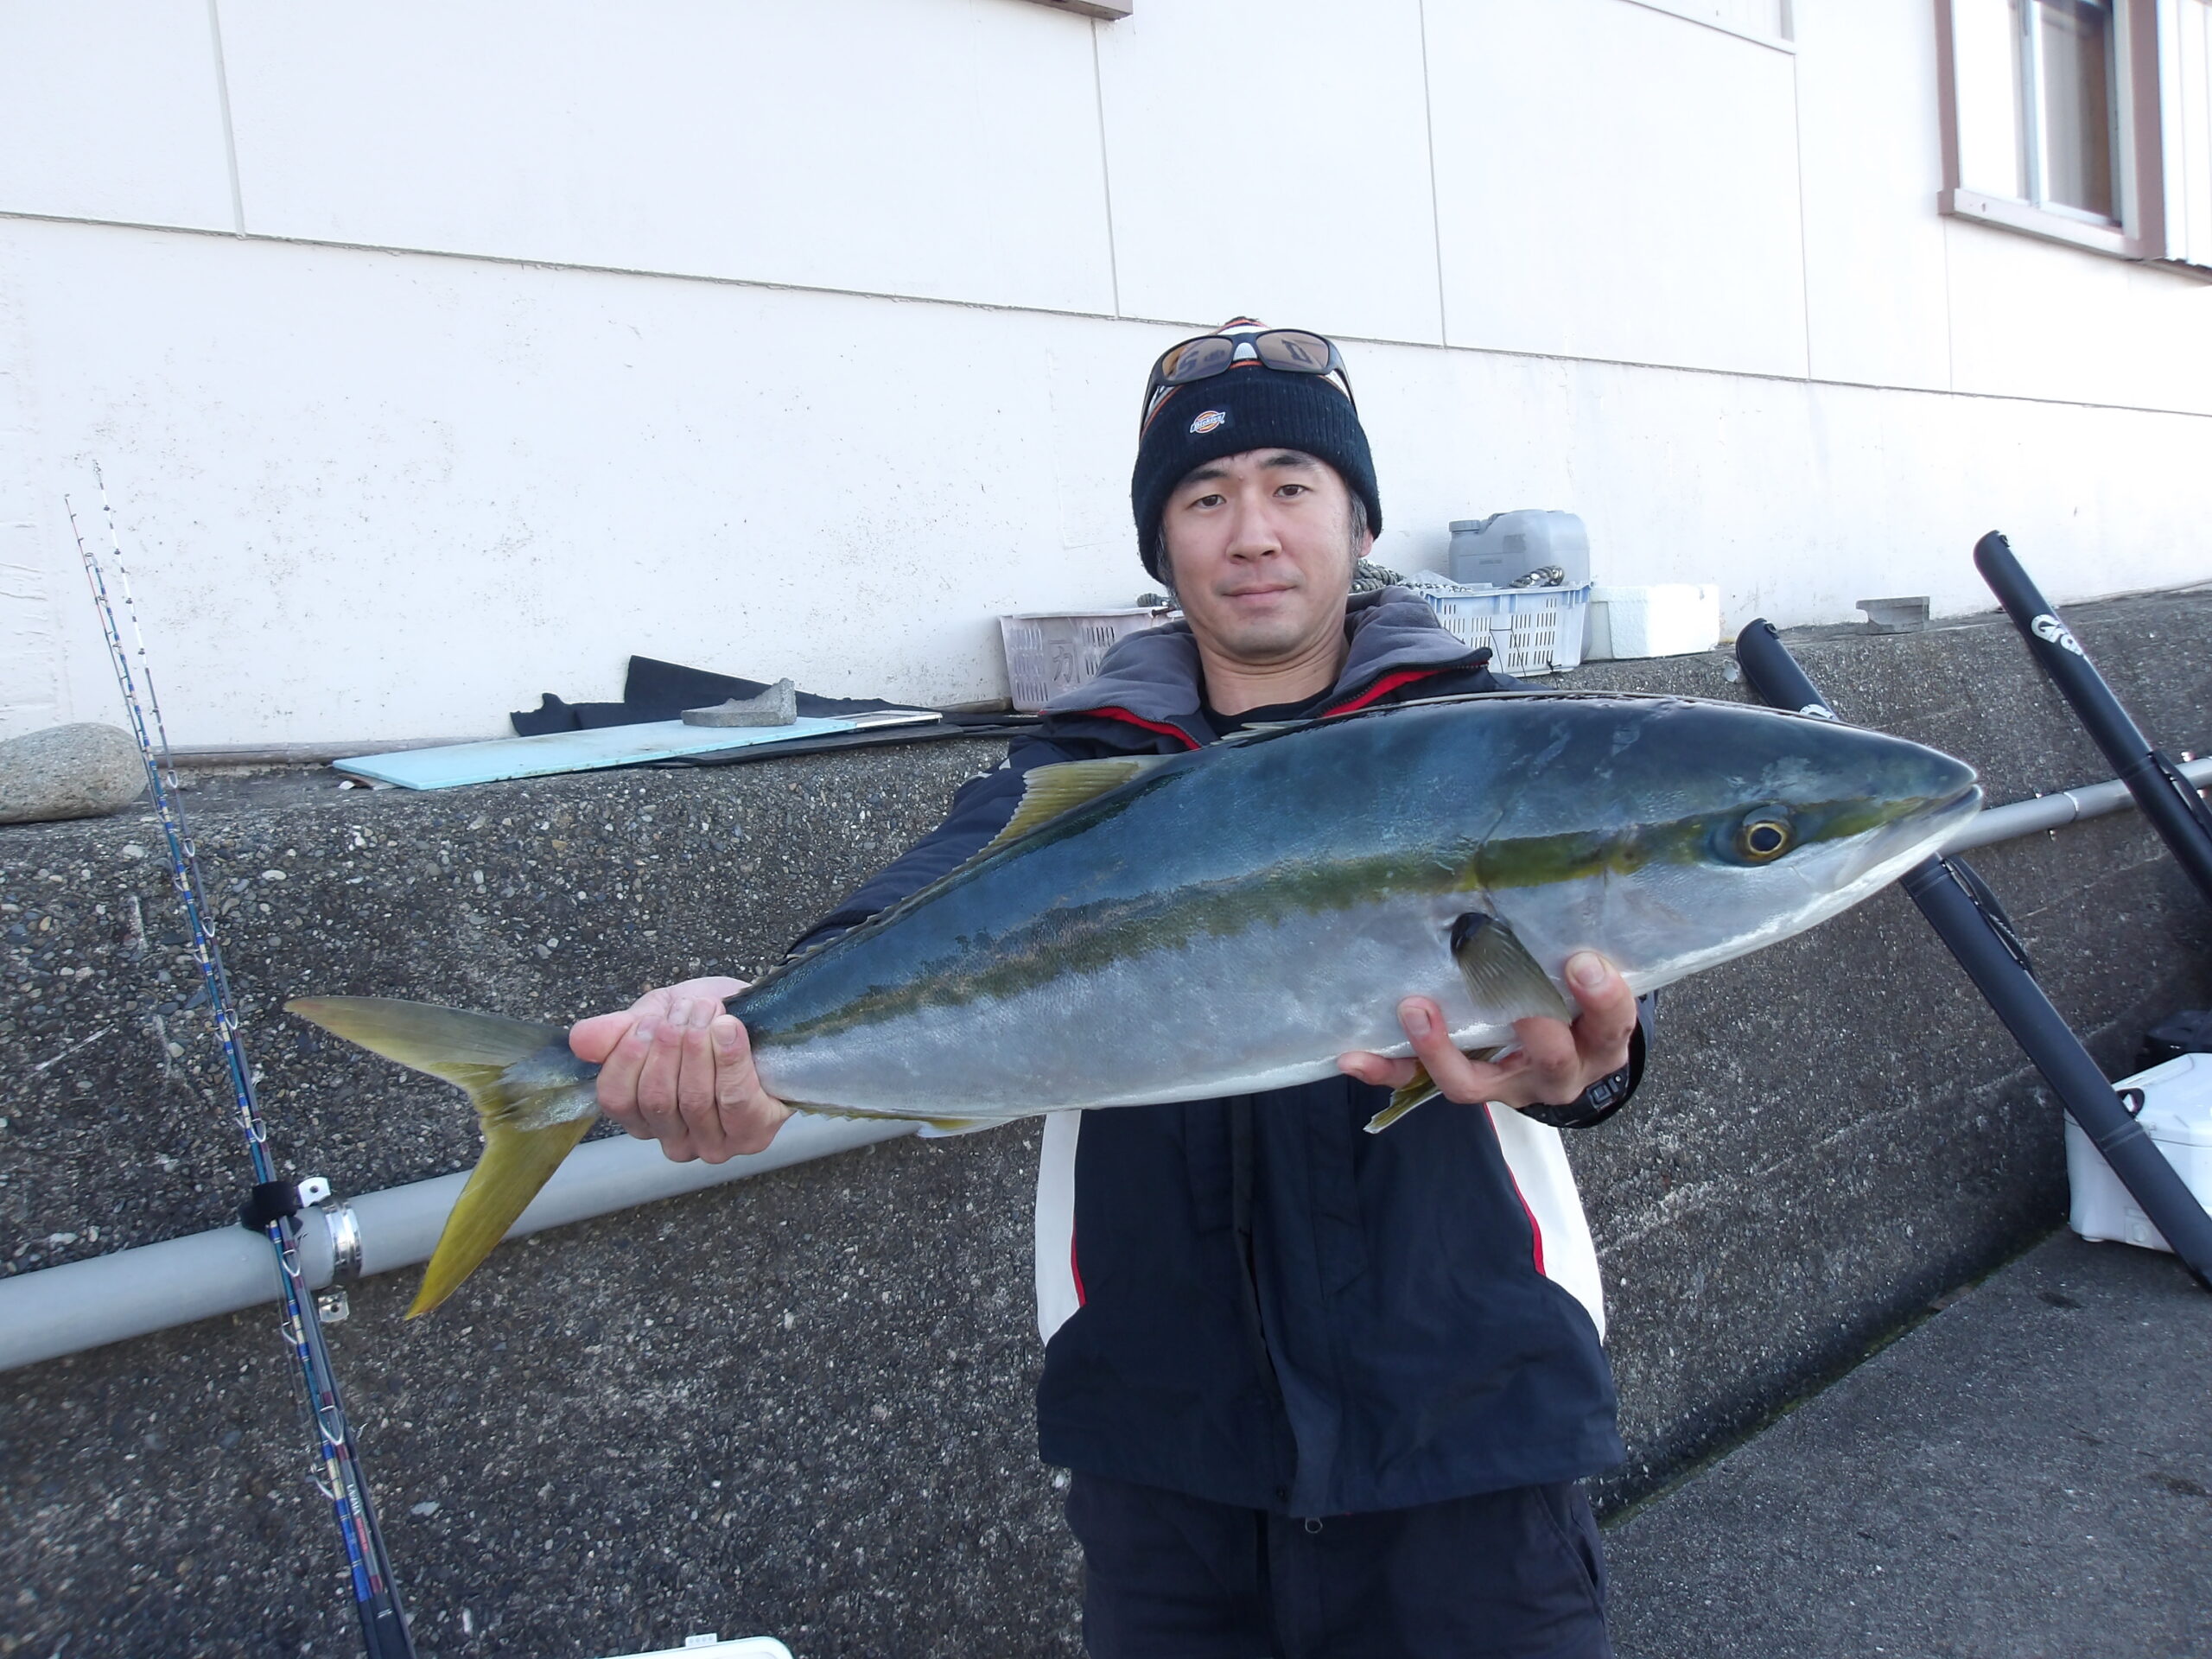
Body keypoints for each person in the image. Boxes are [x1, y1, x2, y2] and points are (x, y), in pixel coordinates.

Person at [570, 321, 1649, 1658]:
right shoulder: (1070, 775)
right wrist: (741, 1031)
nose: (1251, 531)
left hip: (1472, 1426)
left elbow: (1604, 994)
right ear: (1162, 546)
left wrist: (1592, 1072)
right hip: (1167, 1456)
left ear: (1359, 525)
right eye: (1205, 499)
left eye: (1291, 487)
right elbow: (894, 921)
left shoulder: (1492, 746)